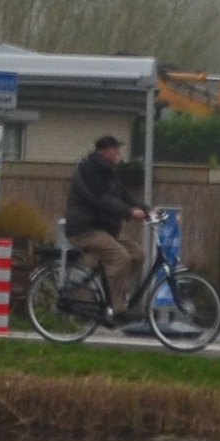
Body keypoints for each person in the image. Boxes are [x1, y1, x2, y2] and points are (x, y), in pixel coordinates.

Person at [62, 133, 149, 319]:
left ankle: (115, 292)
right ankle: (117, 308)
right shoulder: (89, 170)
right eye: (116, 149)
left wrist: (149, 211)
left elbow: (124, 197)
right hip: (85, 229)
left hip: (103, 230)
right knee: (121, 257)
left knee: (137, 254)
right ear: (106, 151)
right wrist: (129, 212)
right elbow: (102, 200)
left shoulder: (108, 172)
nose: (119, 153)